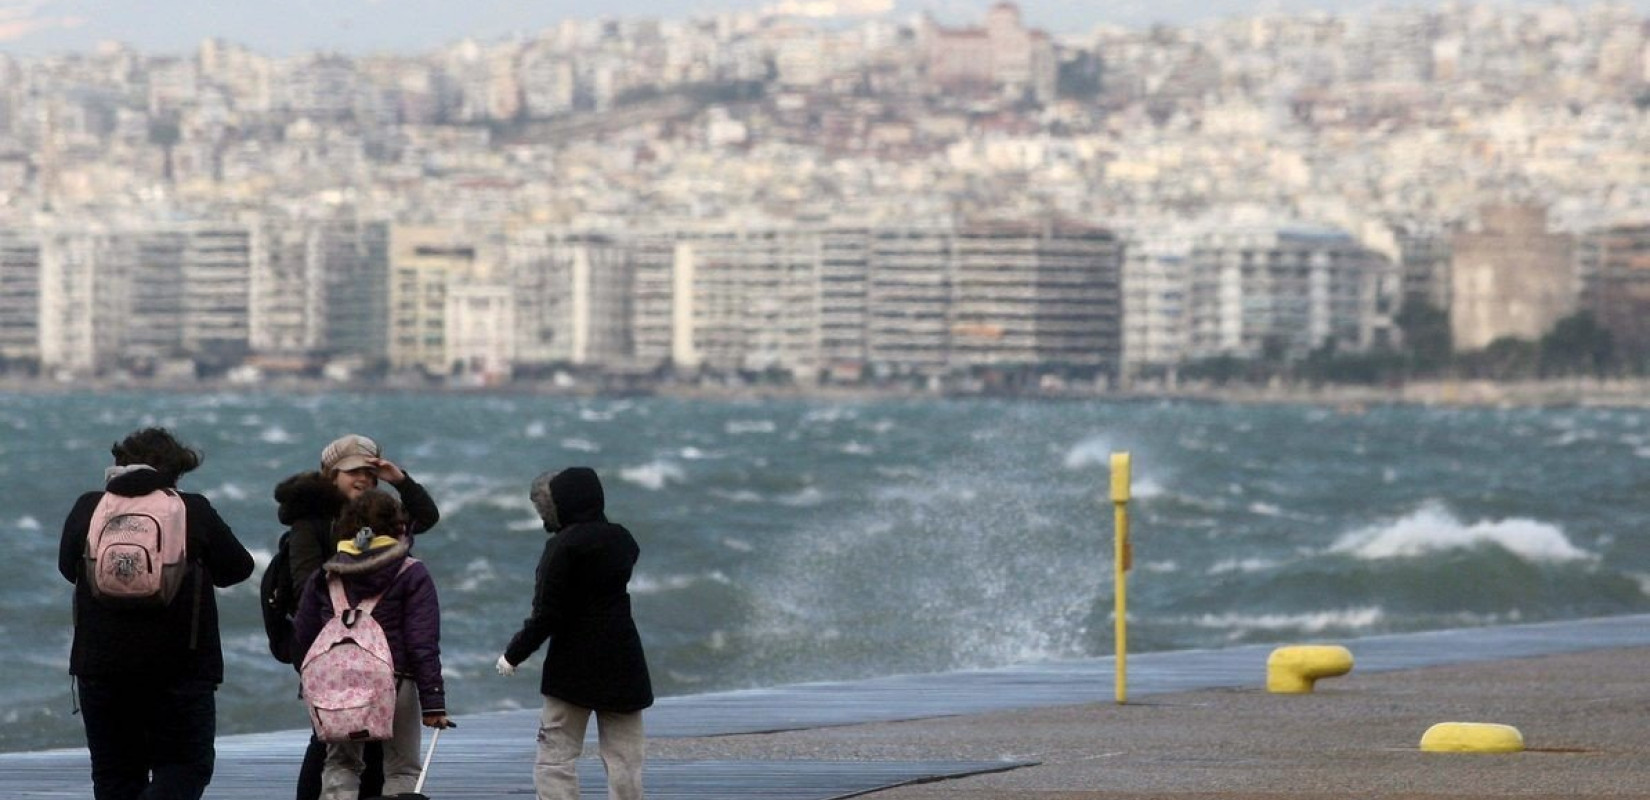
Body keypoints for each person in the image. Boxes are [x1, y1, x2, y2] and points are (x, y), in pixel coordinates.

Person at [57, 427, 255, 800]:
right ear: (176, 471)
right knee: (184, 766)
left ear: (119, 463)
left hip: (100, 666)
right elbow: (239, 568)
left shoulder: (89, 506)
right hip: (181, 668)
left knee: (115, 775)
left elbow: (69, 568)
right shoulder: (191, 508)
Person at [273, 433, 441, 800]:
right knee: (331, 751)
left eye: (370, 472)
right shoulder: (312, 524)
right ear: (330, 474)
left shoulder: (384, 522)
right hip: (335, 657)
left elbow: (425, 517)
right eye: (353, 472)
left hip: (384, 664)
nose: (364, 479)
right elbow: (305, 590)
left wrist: (401, 481)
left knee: (363, 760)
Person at [497, 467, 653, 800]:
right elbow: (631, 557)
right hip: (623, 659)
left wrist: (513, 654)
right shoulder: (622, 538)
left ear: (562, 504)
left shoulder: (561, 547)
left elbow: (547, 614)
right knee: (625, 759)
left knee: (556, 755)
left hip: (573, 665)